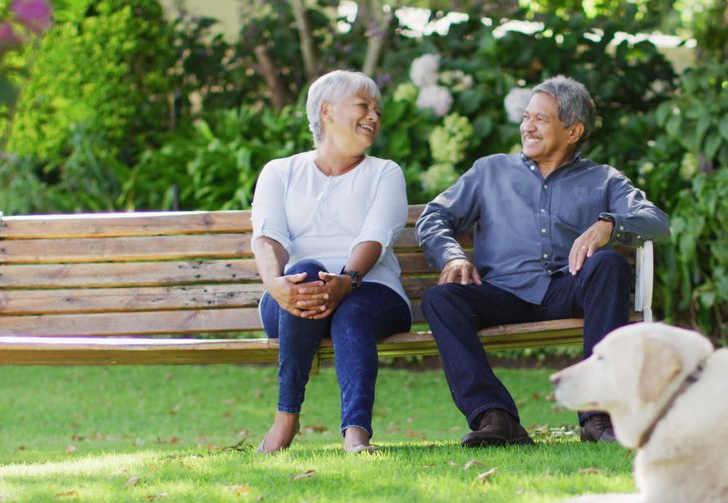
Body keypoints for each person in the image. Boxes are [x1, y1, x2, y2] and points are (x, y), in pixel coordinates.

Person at [415, 76, 671, 447]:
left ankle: (597, 416)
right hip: (501, 293)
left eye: (540, 119)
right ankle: (495, 418)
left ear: (573, 131)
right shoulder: (490, 171)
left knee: (609, 265)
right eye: (526, 117)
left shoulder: (603, 180)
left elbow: (657, 222)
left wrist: (609, 225)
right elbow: (433, 217)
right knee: (441, 299)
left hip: (567, 288)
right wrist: (452, 255)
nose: (527, 127)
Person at [251, 70, 411, 454]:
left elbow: (375, 236)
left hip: (371, 292)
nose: (373, 115)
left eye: (377, 109)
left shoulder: (385, 173)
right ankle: (286, 418)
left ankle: (356, 434)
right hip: (292, 298)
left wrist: (348, 280)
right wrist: (274, 284)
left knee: (351, 310)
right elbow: (267, 236)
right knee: (303, 272)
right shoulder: (280, 171)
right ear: (326, 112)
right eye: (363, 106)